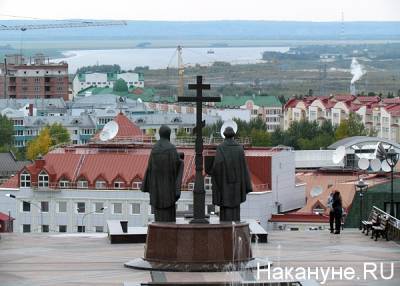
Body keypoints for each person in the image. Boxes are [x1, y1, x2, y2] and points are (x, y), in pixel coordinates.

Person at [142, 125, 183, 222]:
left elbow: (150, 168)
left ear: (159, 135)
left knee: (158, 218)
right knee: (169, 219)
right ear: (169, 135)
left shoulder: (154, 148)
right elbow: (176, 165)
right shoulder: (171, 148)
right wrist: (181, 162)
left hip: (156, 188)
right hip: (168, 189)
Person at [211, 126, 253, 222]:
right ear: (233, 135)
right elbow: (244, 167)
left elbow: (217, 166)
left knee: (225, 209)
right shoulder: (239, 148)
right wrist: (246, 185)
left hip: (224, 185)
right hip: (237, 184)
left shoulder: (221, 148)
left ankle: (225, 228)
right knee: (235, 209)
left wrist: (215, 178)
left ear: (224, 135)